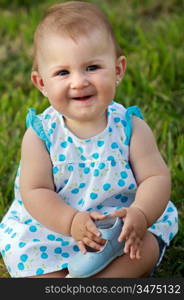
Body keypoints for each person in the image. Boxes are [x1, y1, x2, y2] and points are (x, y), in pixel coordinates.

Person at [0, 1, 178, 278]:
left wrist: (141, 214)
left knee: (145, 248)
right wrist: (71, 221)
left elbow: (155, 177)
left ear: (118, 70)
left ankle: (101, 282)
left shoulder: (131, 127)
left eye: (92, 67)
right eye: (63, 72)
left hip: (121, 226)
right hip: (53, 228)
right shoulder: (40, 134)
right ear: (41, 83)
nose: (79, 81)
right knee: (28, 256)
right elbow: (34, 191)